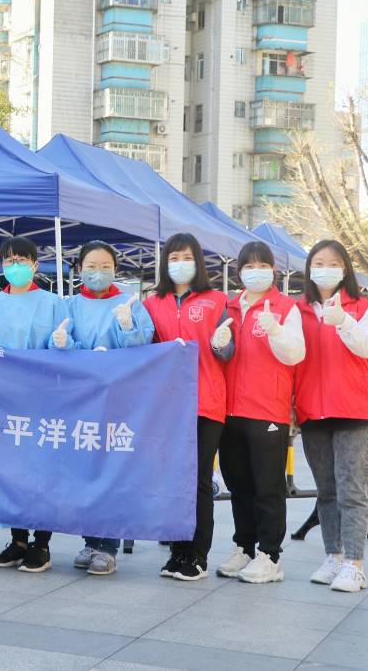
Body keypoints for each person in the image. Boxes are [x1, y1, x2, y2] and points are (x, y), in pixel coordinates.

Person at [0, 236, 71, 574]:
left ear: (35, 264)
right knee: (12, 471)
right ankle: (17, 541)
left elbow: (68, 345)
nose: (15, 266)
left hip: (42, 398)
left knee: (43, 470)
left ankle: (41, 543)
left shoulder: (53, 304)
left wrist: (63, 343)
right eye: (9, 260)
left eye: (22, 260)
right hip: (2, 398)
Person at [144, 233, 234, 581]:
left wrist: (221, 344)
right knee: (172, 480)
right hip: (168, 405)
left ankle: (197, 556)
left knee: (198, 480)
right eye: (174, 258)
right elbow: (146, 348)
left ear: (198, 262)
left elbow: (229, 352)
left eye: (187, 257)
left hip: (205, 402)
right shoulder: (153, 303)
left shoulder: (216, 300)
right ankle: (177, 552)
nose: (180, 264)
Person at [216, 241, 305, 584]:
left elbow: (295, 354)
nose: (256, 272)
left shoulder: (285, 308)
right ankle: (245, 547)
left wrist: (276, 331)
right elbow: (220, 352)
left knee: (268, 486)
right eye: (249, 266)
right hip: (231, 410)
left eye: (263, 265)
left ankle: (270, 555)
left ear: (273, 270)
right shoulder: (229, 306)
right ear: (239, 272)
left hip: (268, 409)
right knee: (239, 485)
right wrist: (217, 342)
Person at [65, 240, 154, 576]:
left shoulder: (129, 303)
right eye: (91, 266)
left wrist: (128, 326)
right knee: (86, 471)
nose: (98, 272)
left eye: (105, 266)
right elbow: (61, 344)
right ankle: (91, 541)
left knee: (112, 471)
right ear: (79, 269)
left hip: (119, 398)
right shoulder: (71, 305)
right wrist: (68, 345)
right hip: (83, 398)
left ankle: (108, 546)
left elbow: (144, 344)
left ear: (116, 269)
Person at [295, 240, 368, 593]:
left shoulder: (362, 306)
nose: (325, 268)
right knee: (327, 490)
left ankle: (354, 564)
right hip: (312, 411)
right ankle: (333, 555)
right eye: (318, 262)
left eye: (332, 262)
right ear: (309, 269)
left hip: (352, 410)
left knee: (352, 489)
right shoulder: (298, 310)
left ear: (345, 268)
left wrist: (343, 320)